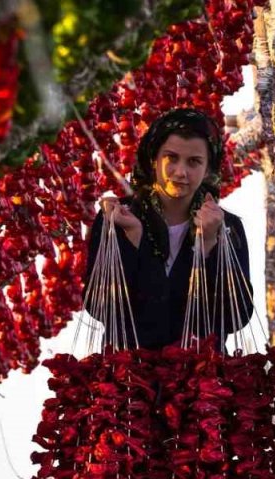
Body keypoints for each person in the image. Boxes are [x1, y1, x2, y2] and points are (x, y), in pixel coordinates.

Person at [83, 107, 254, 350]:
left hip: (203, 372)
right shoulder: (116, 219)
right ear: (153, 159)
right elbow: (100, 306)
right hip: (128, 370)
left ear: (207, 169)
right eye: (171, 158)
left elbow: (235, 317)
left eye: (194, 162)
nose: (181, 172)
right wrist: (135, 240)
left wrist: (208, 245)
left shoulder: (227, 227)